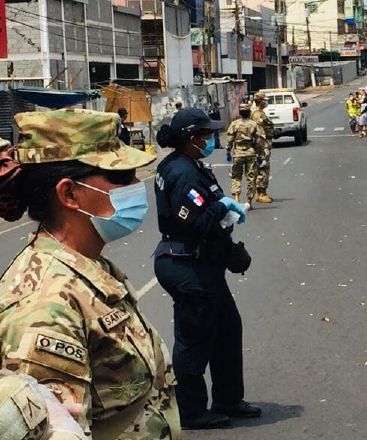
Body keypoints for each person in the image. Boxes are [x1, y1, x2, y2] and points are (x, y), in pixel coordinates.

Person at [0, 110, 181, 437]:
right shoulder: (45, 310)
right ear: (68, 194)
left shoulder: (89, 265)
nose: (137, 186)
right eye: (121, 177)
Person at [153, 108, 257, 428]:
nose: (213, 139)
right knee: (194, 337)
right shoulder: (182, 172)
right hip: (185, 263)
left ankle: (228, 398)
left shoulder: (192, 165)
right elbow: (195, 223)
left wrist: (229, 250)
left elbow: (209, 219)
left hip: (202, 261)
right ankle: (191, 410)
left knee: (226, 328)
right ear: (192, 139)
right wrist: (223, 209)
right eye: (207, 135)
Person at [227, 103, 263, 209]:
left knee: (236, 176)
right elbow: (258, 141)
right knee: (251, 177)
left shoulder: (234, 124)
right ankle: (249, 201)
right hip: (250, 153)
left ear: (240, 112)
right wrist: (260, 154)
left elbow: (229, 139)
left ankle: (237, 198)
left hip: (237, 153)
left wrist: (228, 151)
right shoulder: (254, 124)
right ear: (249, 112)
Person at [251, 93, 275, 204]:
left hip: (264, 144)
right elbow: (259, 132)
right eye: (264, 100)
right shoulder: (257, 115)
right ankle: (261, 194)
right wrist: (261, 148)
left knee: (262, 168)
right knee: (263, 169)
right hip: (262, 145)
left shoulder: (260, 113)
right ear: (260, 101)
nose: (266, 102)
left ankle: (261, 193)